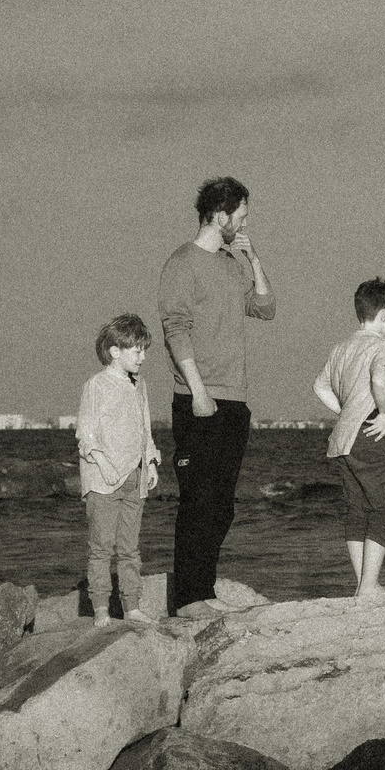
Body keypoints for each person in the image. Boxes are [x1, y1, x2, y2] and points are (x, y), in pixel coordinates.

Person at [156, 176, 274, 611]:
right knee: (198, 503)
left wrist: (252, 256)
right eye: (241, 216)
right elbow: (175, 330)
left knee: (222, 506)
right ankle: (189, 599)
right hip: (198, 400)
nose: (245, 222)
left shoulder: (230, 263)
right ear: (220, 215)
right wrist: (198, 391)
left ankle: (203, 590)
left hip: (235, 400)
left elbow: (265, 307)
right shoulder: (181, 263)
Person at [315, 277, 385, 597]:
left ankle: (362, 583)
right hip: (370, 434)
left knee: (357, 509)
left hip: (342, 440)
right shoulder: (383, 345)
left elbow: (319, 386)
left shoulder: (341, 348)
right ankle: (368, 588)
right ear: (382, 315)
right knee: (382, 509)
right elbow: (380, 378)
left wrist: (346, 411)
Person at [76, 313, 161, 625]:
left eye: (144, 350)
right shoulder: (96, 386)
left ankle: (132, 605)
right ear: (115, 351)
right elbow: (85, 435)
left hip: (135, 478)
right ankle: (100, 608)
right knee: (101, 548)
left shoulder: (139, 386)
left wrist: (150, 462)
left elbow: (145, 429)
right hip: (102, 481)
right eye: (136, 350)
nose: (143, 356)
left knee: (130, 548)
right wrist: (105, 465)